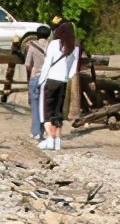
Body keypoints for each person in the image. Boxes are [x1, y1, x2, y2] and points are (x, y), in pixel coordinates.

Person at [36, 20, 80, 151]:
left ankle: (49, 139)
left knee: (46, 111)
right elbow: (74, 69)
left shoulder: (54, 44)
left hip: (50, 80)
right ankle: (57, 141)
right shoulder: (75, 48)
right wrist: (66, 77)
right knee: (58, 111)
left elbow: (47, 64)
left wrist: (41, 81)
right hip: (63, 82)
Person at [23, 25, 50, 140]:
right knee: (45, 106)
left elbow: (28, 64)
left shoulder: (32, 46)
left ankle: (35, 131)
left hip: (35, 77)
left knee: (35, 105)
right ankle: (44, 130)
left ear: (37, 35)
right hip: (47, 79)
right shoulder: (51, 46)